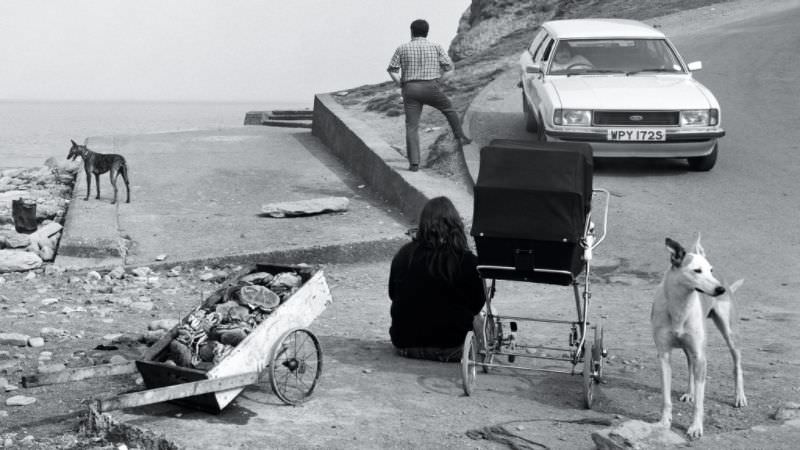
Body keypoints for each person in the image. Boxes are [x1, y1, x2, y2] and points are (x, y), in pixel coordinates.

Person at [388, 196, 485, 362]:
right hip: (452, 348)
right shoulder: (467, 261)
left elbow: (392, 294)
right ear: (456, 225)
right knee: (481, 317)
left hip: (406, 345)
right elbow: (477, 304)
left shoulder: (404, 254)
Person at [387, 19, 472, 172]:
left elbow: (392, 70)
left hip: (410, 89)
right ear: (427, 32)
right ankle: (460, 136)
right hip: (431, 87)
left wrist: (401, 84)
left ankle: (414, 163)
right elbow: (449, 69)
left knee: (411, 126)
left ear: (411, 31)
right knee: (449, 109)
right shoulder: (436, 47)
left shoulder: (402, 48)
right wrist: (439, 82)